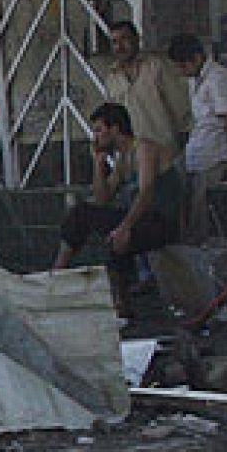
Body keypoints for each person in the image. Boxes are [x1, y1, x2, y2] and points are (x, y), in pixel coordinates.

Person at [53, 103, 186, 309]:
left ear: (114, 129)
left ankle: (120, 302)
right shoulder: (123, 159)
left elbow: (146, 192)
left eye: (99, 130)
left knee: (118, 238)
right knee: (81, 214)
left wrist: (124, 227)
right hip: (139, 219)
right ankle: (57, 274)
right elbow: (102, 198)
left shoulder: (144, 149)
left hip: (161, 221)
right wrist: (98, 163)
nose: (95, 136)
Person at [167, 33, 227, 243]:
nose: (182, 72)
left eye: (183, 66)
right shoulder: (196, 80)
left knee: (202, 214)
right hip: (197, 153)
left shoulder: (219, 78)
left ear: (197, 59)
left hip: (215, 155)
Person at [103, 20, 190, 168]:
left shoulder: (157, 67)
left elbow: (182, 110)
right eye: (115, 42)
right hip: (133, 160)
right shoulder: (112, 79)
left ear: (137, 39)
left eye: (125, 39)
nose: (120, 46)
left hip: (166, 155)